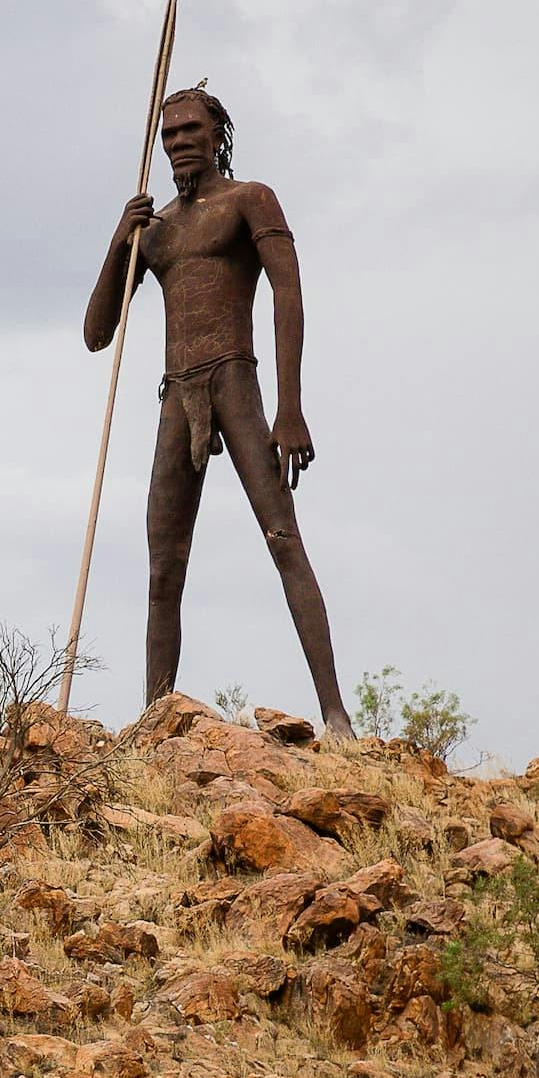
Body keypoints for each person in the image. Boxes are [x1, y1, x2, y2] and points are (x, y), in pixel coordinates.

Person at [84, 85, 353, 736]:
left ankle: (336, 715)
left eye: (190, 130)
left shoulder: (248, 200)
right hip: (177, 392)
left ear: (217, 134)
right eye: (169, 134)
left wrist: (290, 407)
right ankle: (156, 722)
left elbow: (289, 293)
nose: (179, 142)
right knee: (163, 566)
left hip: (236, 376)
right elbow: (96, 333)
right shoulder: (157, 231)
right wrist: (122, 241)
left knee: (281, 535)